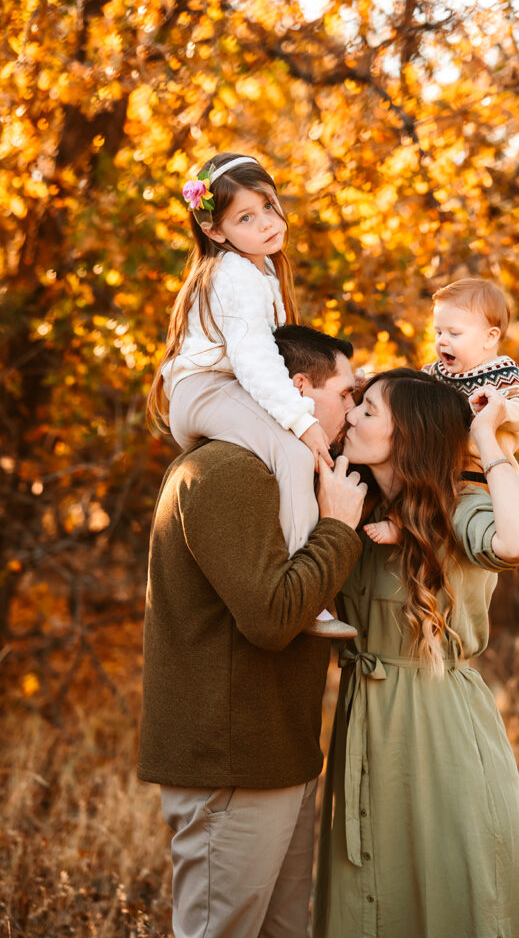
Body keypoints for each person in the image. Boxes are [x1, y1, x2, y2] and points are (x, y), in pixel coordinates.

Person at [138, 324, 367, 938]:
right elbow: (272, 617)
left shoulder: (283, 473)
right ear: (299, 387)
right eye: (347, 393)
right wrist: (339, 528)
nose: (353, 406)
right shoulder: (226, 471)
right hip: (229, 764)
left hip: (279, 754)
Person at [313, 368, 519, 938]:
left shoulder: (459, 506)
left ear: (408, 435)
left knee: (448, 894)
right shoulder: (354, 503)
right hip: (363, 717)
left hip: (439, 724)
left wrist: (488, 441)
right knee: (365, 896)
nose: (351, 417)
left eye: (368, 411)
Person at [146, 150, 353, 637]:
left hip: (216, 388)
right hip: (207, 391)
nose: (265, 223)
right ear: (215, 231)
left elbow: (272, 352)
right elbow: (256, 360)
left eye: (268, 206)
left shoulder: (257, 271)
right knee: (292, 451)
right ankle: (309, 591)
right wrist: (302, 423)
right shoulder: (235, 274)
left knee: (288, 445)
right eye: (245, 217)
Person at [366, 277, 519, 545]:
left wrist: (501, 408)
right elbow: (407, 394)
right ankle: (401, 523)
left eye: (454, 334)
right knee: (409, 470)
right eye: (438, 332)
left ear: (489, 338)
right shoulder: (437, 371)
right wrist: (372, 386)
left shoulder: (501, 372)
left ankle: (409, 529)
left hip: (479, 469)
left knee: (450, 498)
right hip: (440, 459)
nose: (443, 341)